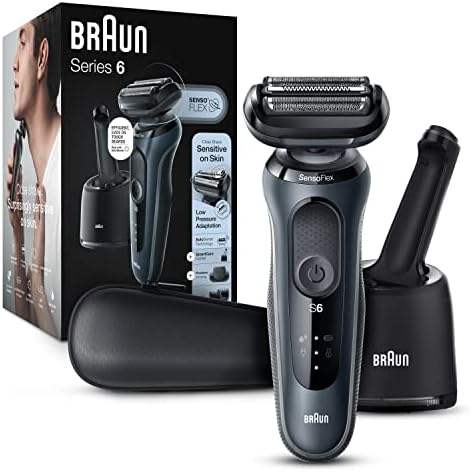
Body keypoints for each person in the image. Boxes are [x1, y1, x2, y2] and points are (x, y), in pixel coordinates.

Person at [6, 10, 61, 337]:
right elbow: (28, 317)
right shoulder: (42, 179)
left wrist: (37, 280)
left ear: (41, 58)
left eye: (22, 43)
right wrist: (18, 236)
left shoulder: (64, 176)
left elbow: (57, 327)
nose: (13, 64)